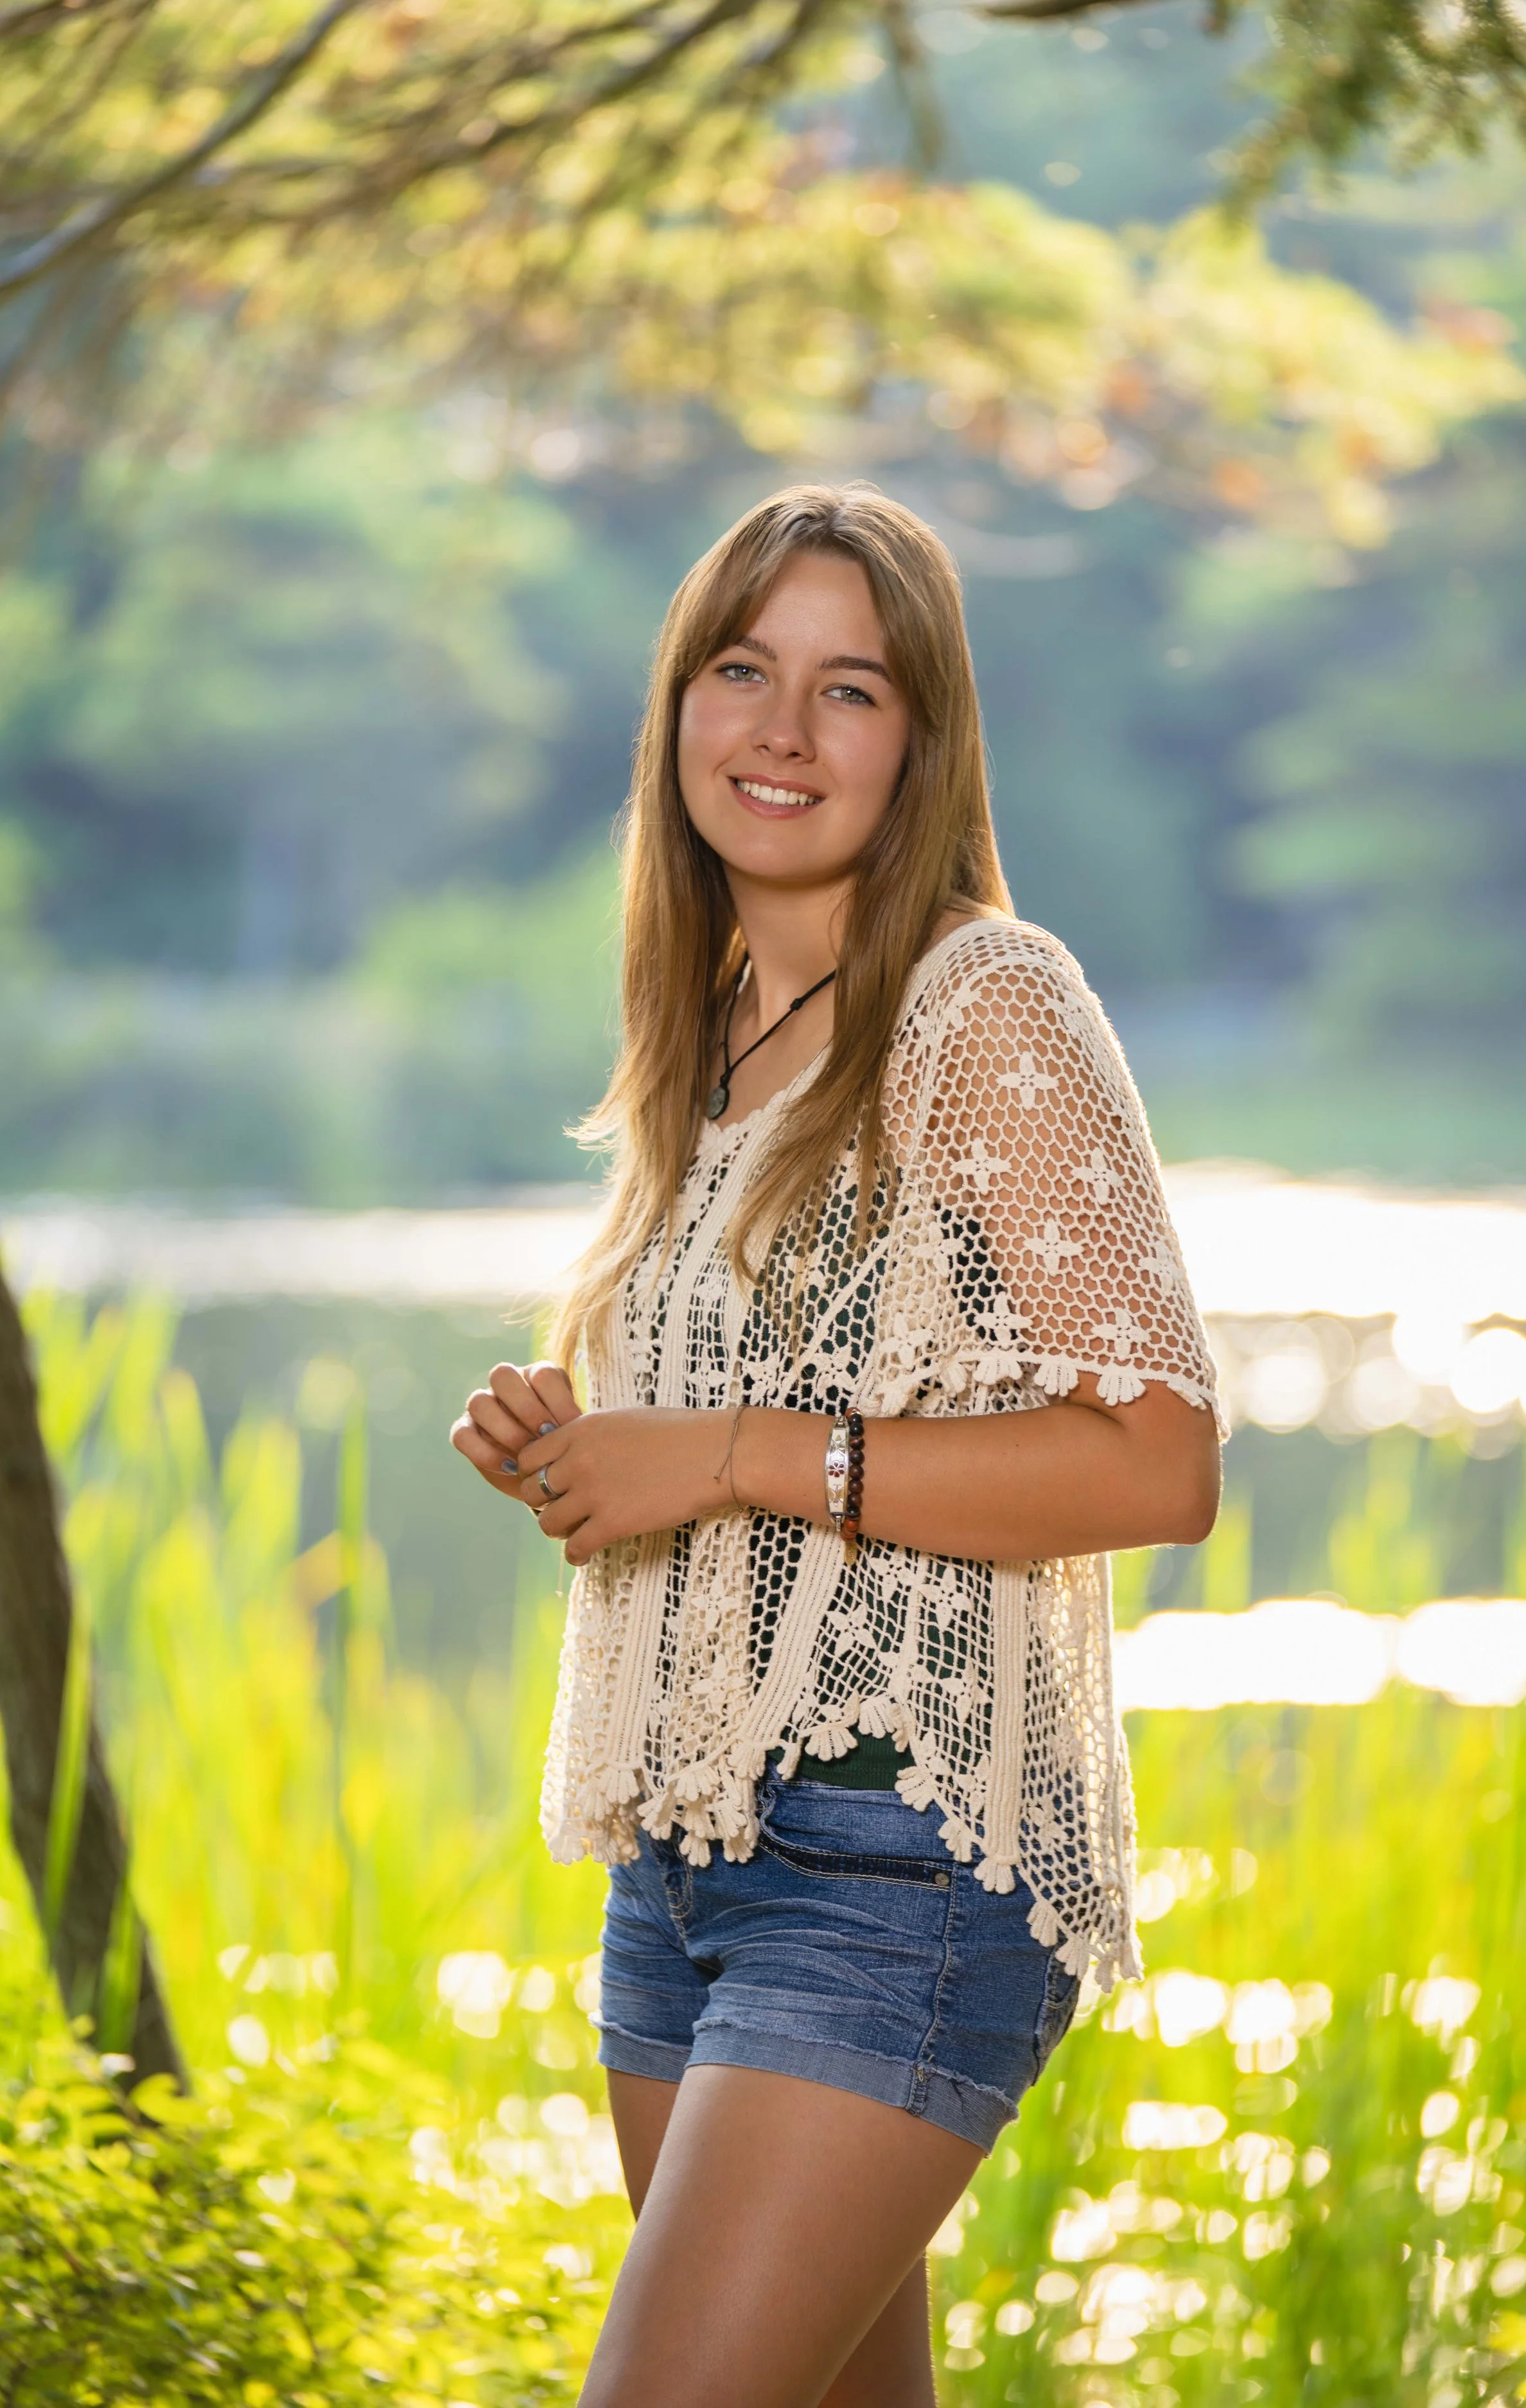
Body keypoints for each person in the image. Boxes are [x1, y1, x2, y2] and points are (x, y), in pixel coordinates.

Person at [451, 483, 1223, 2408]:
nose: (781, 732)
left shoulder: (985, 1004)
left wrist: (713, 1451)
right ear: (678, 709)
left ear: (922, 736)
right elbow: (750, 1466)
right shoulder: (702, 1020)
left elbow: (1153, 1463)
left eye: (847, 689)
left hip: (902, 1866)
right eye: (742, 670)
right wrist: (574, 1448)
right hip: (686, 1867)